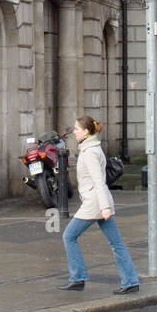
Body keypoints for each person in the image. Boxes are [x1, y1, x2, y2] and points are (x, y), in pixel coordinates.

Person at [59, 116, 141, 295]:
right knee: (116, 242)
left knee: (69, 236)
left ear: (86, 132)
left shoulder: (90, 153)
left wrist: (104, 207)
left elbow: (99, 182)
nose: (74, 132)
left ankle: (78, 278)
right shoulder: (92, 148)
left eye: (77, 129)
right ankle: (131, 280)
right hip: (98, 202)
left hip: (95, 203)